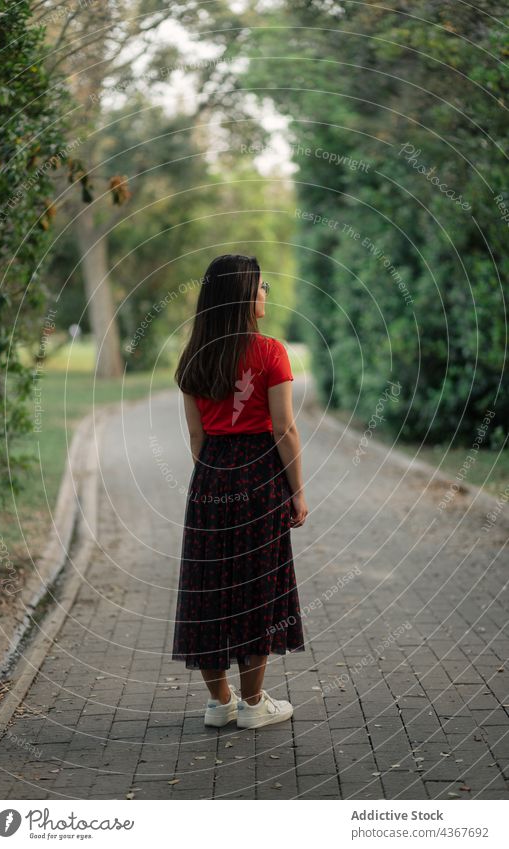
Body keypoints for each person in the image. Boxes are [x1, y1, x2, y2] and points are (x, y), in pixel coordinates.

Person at [172, 253, 308, 729]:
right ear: (242, 296)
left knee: (208, 585)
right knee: (256, 586)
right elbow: (284, 429)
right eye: (260, 284)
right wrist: (298, 492)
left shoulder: (193, 355)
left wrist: (216, 476)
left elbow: (195, 438)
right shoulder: (270, 351)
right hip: (260, 478)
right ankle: (253, 706)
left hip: (210, 477)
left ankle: (218, 702)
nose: (265, 292)